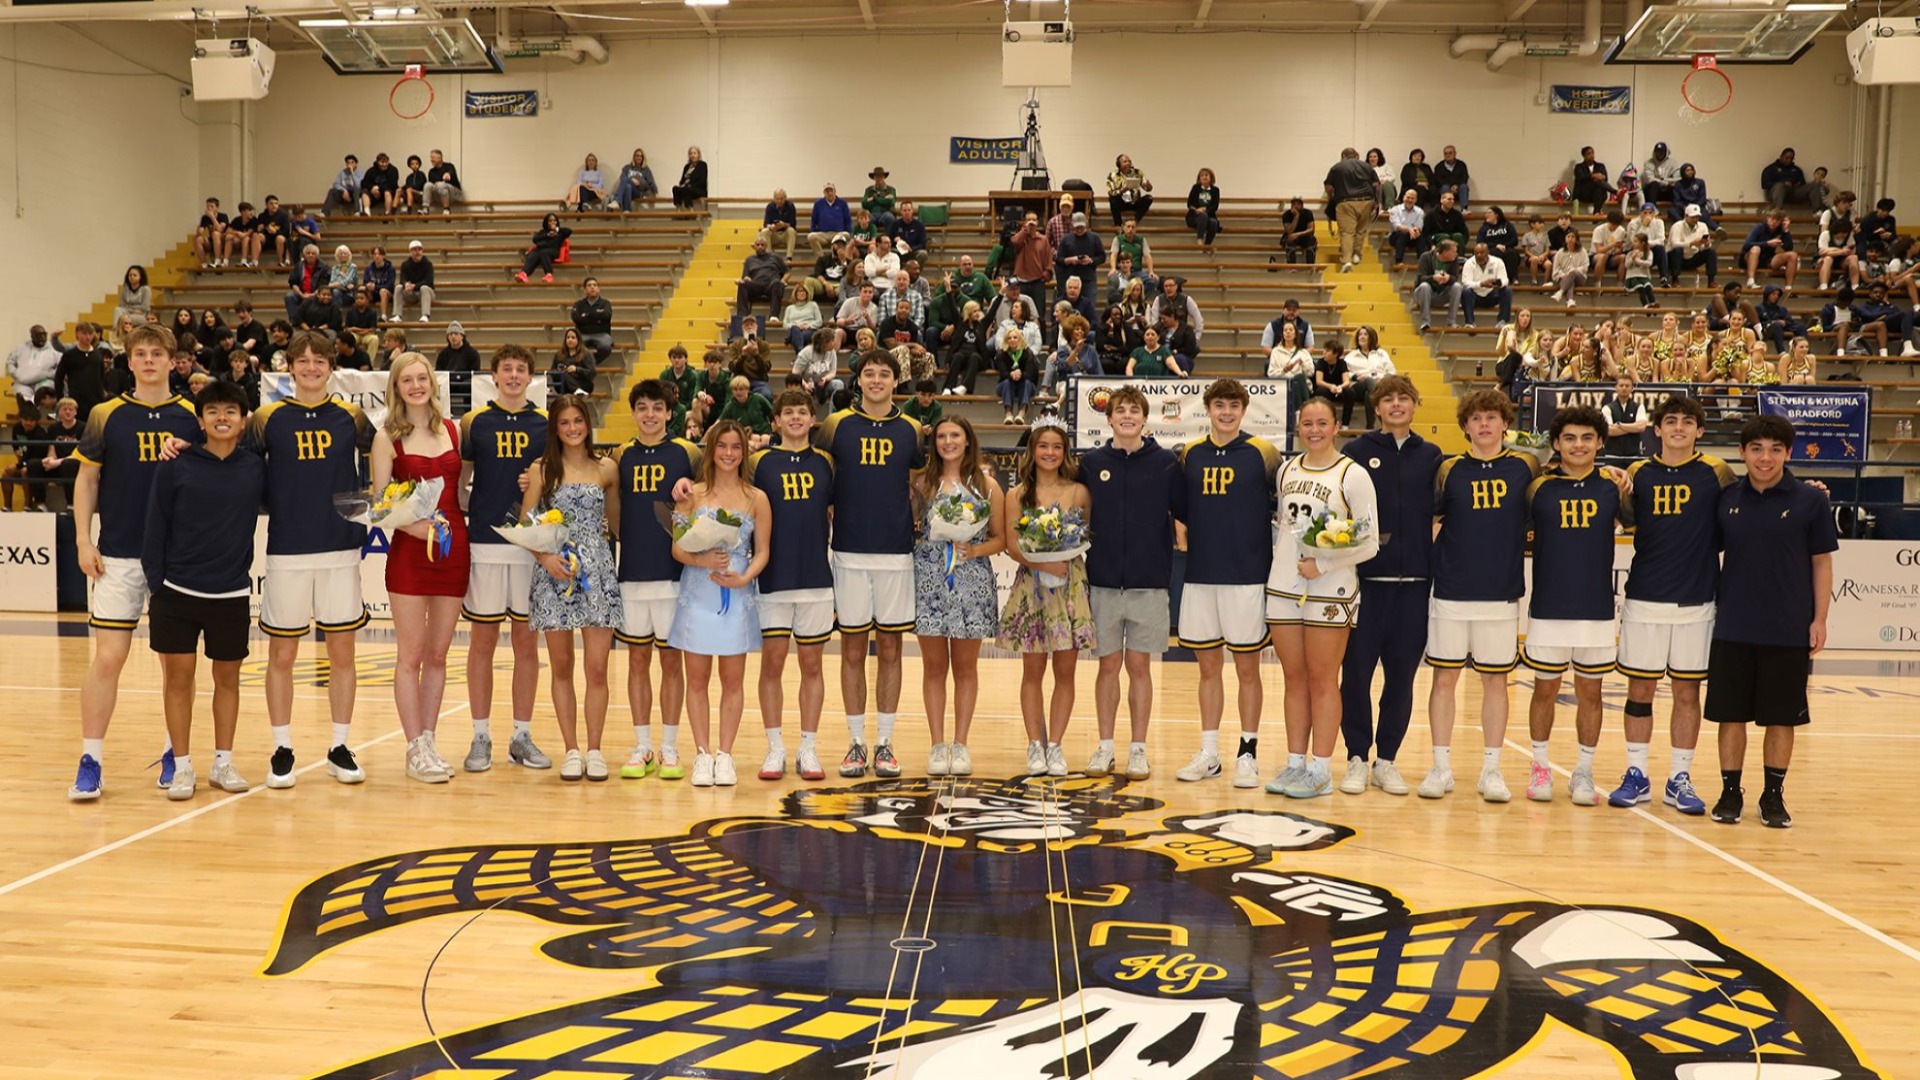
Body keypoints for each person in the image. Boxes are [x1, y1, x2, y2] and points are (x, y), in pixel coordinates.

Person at [66, 326, 204, 801]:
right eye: (140, 354)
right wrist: (84, 539)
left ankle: (175, 754)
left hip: (176, 559)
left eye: (157, 353)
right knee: (108, 658)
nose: (149, 360)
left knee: (176, 664)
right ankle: (91, 759)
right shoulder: (106, 415)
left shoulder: (191, 416)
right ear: (129, 362)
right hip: (119, 554)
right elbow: (86, 481)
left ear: (173, 361)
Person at [244, 330, 375, 788]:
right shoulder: (267, 417)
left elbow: (383, 457)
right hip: (287, 549)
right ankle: (282, 748)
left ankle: (340, 745)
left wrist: (373, 503)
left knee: (342, 652)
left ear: (331, 367)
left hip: (340, 547)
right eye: (304, 361)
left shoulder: (353, 417)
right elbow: (236, 466)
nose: (312, 367)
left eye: (321, 360)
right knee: (282, 653)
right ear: (290, 367)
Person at [1607, 394, 1735, 816]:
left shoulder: (1717, 472)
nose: (1679, 427)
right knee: (1640, 689)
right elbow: (1621, 517)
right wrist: (1610, 476)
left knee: (1686, 692)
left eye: (1687, 422)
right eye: (1671, 421)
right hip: (1645, 596)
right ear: (1656, 429)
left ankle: (1680, 777)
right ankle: (1636, 773)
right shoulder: (1637, 473)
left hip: (1697, 598)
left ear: (1699, 430)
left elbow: (1749, 507)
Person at [1707, 415, 1835, 828]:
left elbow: (1821, 563)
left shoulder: (1811, 500)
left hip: (1787, 628)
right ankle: (1730, 792)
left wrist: (1819, 618)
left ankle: (1773, 795)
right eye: (1757, 449)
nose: (1766, 458)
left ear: (1788, 453)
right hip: (1733, 626)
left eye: (1775, 449)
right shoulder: (1725, 498)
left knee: (1782, 717)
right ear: (1742, 453)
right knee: (1732, 715)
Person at [140, 380, 265, 800]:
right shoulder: (176, 464)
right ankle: (182, 766)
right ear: (200, 421)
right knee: (178, 679)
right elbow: (155, 525)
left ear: (243, 420)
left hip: (230, 594)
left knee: (227, 680)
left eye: (231, 411)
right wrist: (159, 585)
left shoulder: (256, 467)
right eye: (212, 411)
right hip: (176, 592)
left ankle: (223, 763)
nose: (222, 418)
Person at [1420, 390, 1542, 803]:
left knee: (1496, 681)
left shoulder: (1526, 466)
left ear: (1505, 423)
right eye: (1476, 419)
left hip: (1501, 591)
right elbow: (1432, 521)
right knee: (1444, 679)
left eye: (1492, 417)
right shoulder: (1448, 468)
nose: (1485, 424)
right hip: (1451, 589)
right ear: (1466, 426)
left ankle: (1492, 769)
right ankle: (1441, 767)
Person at [820, 349, 924, 779]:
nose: (877, 380)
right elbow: (821, 476)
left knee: (892, 649)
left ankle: (885, 742)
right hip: (848, 552)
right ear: (858, 380)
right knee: (850, 649)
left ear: (895, 382)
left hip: (896, 553)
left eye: (884, 374)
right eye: (869, 373)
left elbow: (919, 484)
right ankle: (856, 743)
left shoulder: (913, 429)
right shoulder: (836, 424)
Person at [1173, 378, 1282, 786]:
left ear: (1244, 409)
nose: (1226, 412)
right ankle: (1209, 752)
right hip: (1201, 575)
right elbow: (1180, 511)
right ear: (1208, 408)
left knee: (1249, 669)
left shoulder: (1264, 453)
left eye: (1234, 405)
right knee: (1208, 669)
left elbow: (1282, 508)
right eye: (1219, 404)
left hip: (1248, 576)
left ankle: (1248, 752)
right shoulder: (1190, 455)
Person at [1336, 376, 1440, 796]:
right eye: (1388, 399)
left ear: (1415, 405)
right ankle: (1357, 757)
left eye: (1404, 398)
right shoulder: (1356, 453)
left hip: (1415, 584)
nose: (1396, 405)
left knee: (1401, 678)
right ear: (1377, 408)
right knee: (1356, 675)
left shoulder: (1432, 455)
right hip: (1366, 584)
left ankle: (1387, 759)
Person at [1521, 405, 1630, 805]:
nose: (1578, 445)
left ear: (1600, 442)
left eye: (1587, 437)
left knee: (1590, 692)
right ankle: (1540, 766)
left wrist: (1625, 475)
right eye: (1570, 438)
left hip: (1596, 607)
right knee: (1544, 690)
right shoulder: (1538, 488)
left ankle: (1583, 771)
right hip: (1548, 606)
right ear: (1556, 444)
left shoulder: (1614, 487)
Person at [371, 352, 471, 784]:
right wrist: (415, 530)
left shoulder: (453, 429)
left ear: (433, 383)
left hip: (454, 550)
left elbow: (460, 487)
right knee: (410, 655)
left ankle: (429, 740)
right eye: (407, 380)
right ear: (396, 388)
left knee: (438, 655)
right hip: (411, 554)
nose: (416, 386)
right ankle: (414, 748)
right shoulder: (385, 438)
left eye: (422, 378)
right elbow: (379, 507)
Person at [459, 345, 553, 772]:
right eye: (507, 369)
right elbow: (460, 485)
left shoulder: (546, 424)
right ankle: (480, 736)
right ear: (493, 376)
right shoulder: (473, 422)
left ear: (531, 377)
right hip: (485, 543)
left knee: (525, 645)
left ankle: (521, 734)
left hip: (529, 548)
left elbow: (558, 483)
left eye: (521, 369)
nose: (514, 375)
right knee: (481, 642)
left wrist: (539, 483)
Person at [518, 395, 621, 781]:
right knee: (562, 666)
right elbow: (526, 526)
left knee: (597, 669)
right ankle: (571, 750)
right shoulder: (542, 470)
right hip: (554, 573)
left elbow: (616, 522)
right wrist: (544, 558)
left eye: (578, 421)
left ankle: (595, 749)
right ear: (555, 428)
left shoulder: (608, 468)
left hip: (596, 574)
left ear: (588, 424)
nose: (573, 428)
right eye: (565, 423)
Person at [1079, 385, 1180, 779]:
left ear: (1144, 418)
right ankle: (1105, 748)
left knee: (1140, 666)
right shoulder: (1091, 462)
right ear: (1108, 418)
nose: (1126, 416)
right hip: (1102, 582)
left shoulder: (1168, 463)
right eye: (1120, 410)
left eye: (1134, 411)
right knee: (1108, 667)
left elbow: (1184, 514)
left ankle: (1138, 749)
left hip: (1149, 583)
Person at [668, 420, 771, 787]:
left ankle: (725, 755)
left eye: (736, 447)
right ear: (711, 449)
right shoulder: (691, 493)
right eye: (722, 446)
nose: (729, 453)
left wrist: (745, 578)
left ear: (744, 452)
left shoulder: (756, 497)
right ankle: (701, 753)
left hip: (737, 593)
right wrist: (702, 561)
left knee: (732, 680)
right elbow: (677, 547)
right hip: (698, 591)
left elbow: (762, 552)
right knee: (696, 679)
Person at [746, 392, 837, 780]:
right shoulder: (758, 463)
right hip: (772, 578)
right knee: (772, 664)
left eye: (803, 411)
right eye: (788, 412)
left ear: (813, 419)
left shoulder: (827, 462)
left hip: (816, 577)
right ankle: (774, 749)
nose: (796, 417)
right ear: (776, 422)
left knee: (812, 664)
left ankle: (809, 748)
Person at [614, 380, 702, 780]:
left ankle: (669, 746)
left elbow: (711, 492)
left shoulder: (688, 453)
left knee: (671, 662)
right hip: (631, 573)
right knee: (636, 660)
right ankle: (642, 745)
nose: (650, 414)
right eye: (643, 407)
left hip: (673, 577)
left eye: (657, 408)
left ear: (670, 413)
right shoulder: (620, 456)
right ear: (633, 413)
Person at [998, 418, 1095, 776]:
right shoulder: (1017, 494)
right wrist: (1042, 561)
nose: (1050, 453)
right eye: (1043, 446)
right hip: (1033, 586)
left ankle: (1055, 744)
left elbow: (1085, 535)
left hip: (1070, 585)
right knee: (1032, 671)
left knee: (1066, 671)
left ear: (1065, 451)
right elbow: (1011, 544)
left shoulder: (1080, 492)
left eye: (1057, 446)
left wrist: (1063, 558)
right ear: (1032, 450)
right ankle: (1034, 746)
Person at [910, 416, 1004, 776]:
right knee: (934, 667)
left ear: (968, 441)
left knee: (965, 668)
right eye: (942, 436)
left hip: (971, 580)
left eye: (956, 436)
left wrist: (975, 551)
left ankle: (961, 744)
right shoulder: (921, 482)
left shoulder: (987, 485)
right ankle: (937, 745)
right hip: (929, 578)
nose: (948, 442)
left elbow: (1001, 539)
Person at [1325, 148, 1378, 272]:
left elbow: (1328, 187)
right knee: (1361, 230)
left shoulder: (1336, 167)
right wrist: (1376, 203)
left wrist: (1331, 199)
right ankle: (1356, 254)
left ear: (1343, 156)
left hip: (1345, 202)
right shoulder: (1367, 166)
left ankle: (1347, 260)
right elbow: (1376, 185)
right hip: (1366, 201)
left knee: (1347, 232)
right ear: (1357, 156)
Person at [53, 322, 115, 423]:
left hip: (96, 401)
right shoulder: (69, 355)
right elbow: (59, 377)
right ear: (77, 334)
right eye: (84, 333)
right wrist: (60, 398)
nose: (87, 337)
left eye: (90, 334)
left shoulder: (97, 355)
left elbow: (102, 378)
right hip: (77, 401)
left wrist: (104, 396)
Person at [1742, 210, 1801, 290]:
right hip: (1750, 257)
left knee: (1793, 255)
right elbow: (1747, 245)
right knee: (1756, 249)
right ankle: (1751, 281)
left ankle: (1788, 288)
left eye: (1777, 220)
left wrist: (1786, 230)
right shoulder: (1759, 227)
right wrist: (1767, 243)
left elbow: (1789, 248)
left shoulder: (1780, 230)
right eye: (1772, 219)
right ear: (1767, 218)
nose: (1774, 222)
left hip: (1768, 259)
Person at [1412, 239, 1462, 332]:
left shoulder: (1454, 260)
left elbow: (1455, 278)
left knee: (1457, 286)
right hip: (1424, 294)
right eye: (1454, 252)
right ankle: (1425, 322)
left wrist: (1448, 278)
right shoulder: (1426, 257)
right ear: (1445, 252)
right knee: (1424, 286)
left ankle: (1451, 321)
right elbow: (1420, 278)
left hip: (1441, 293)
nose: (1456, 254)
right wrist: (1433, 278)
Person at [8, 325, 61, 412]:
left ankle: (46, 414)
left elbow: (61, 367)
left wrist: (48, 374)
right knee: (22, 396)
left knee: (46, 394)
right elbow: (10, 362)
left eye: (44, 334)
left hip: (43, 381)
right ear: (32, 336)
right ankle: (28, 410)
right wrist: (15, 373)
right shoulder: (21, 348)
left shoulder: (54, 350)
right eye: (39, 335)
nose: (42, 337)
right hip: (22, 382)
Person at [1667, 203, 1719, 287]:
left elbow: (1702, 248)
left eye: (1697, 217)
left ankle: (1711, 281)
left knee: (1711, 251)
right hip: (1675, 258)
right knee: (1678, 250)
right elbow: (1674, 244)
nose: (1695, 219)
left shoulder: (1703, 226)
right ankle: (1675, 279)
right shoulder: (1677, 226)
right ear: (1686, 216)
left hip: (1692, 257)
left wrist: (1706, 244)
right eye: (1692, 217)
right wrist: (1691, 244)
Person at [995, 327, 1039, 426]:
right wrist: (1011, 374)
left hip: (1025, 384)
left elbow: (1030, 374)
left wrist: (1020, 374)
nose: (1012, 340)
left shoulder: (1028, 353)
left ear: (1020, 339)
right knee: (1006, 382)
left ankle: (1021, 413)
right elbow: (1002, 374)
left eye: (1015, 337)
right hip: (1006, 384)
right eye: (1009, 338)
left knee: (1027, 382)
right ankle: (1008, 413)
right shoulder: (1001, 354)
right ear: (1006, 341)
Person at [1462, 242, 1512, 327]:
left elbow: (1505, 280)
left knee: (1507, 290)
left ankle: (1503, 321)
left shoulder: (1498, 262)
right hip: (1475, 297)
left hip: (1492, 294)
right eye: (1476, 253)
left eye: (1481, 253)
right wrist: (1481, 284)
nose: (1479, 255)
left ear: (1488, 252)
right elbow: (1465, 282)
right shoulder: (1469, 263)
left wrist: (1498, 284)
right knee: (1466, 292)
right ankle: (1470, 322)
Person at [517, 213, 572, 284]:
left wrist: (556, 229)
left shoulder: (561, 232)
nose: (552, 222)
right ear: (546, 222)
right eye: (550, 221)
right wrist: (547, 235)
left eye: (554, 220)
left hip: (553, 251)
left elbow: (569, 231)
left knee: (543, 252)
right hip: (541, 251)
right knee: (533, 253)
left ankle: (549, 274)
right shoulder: (543, 232)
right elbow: (535, 239)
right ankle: (524, 273)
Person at [1106, 154, 1154, 225]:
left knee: (1149, 198)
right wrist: (1121, 191)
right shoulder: (1113, 175)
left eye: (1129, 161)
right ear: (1119, 164)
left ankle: (1135, 220)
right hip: (1121, 202)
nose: (1128, 163)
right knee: (1112, 199)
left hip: (1135, 201)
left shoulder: (1138, 172)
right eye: (1125, 161)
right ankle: (1118, 225)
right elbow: (1111, 193)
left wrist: (1148, 185)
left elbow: (1148, 189)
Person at [285, 244, 326, 324]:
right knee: (289, 296)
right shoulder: (299, 266)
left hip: (317, 294)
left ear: (317, 255)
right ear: (304, 255)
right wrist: (301, 294)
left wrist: (313, 294)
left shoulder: (324, 267)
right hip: (301, 293)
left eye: (313, 253)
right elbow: (293, 282)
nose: (310, 255)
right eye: (308, 253)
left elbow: (324, 284)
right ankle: (295, 322)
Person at [397, 240, 436, 322]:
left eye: (419, 249)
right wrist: (406, 284)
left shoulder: (428, 264)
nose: (417, 252)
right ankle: (397, 315)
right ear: (410, 252)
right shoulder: (405, 265)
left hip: (426, 294)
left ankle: (425, 315)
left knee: (424, 288)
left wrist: (414, 286)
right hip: (412, 293)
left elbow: (429, 281)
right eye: (414, 250)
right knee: (399, 287)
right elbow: (402, 279)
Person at [808, 183, 852, 255]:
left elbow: (847, 220)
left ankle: (836, 258)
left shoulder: (842, 203)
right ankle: (821, 258)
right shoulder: (818, 204)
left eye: (831, 191)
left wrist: (848, 230)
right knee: (811, 236)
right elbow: (814, 220)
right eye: (827, 191)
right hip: (823, 234)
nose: (829, 193)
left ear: (835, 191)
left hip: (838, 233)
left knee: (846, 234)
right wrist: (814, 230)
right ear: (824, 193)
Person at [550, 328, 595, 397]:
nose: (570, 340)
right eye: (568, 338)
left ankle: (577, 390)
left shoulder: (586, 354)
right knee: (563, 375)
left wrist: (576, 369)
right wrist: (560, 371)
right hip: (564, 384)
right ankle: (576, 390)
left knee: (566, 376)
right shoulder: (559, 354)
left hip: (582, 383)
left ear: (578, 340)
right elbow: (552, 371)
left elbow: (591, 372)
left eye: (573, 338)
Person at [1550, 230, 1589, 308]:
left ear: (1576, 239)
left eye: (1573, 237)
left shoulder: (1582, 251)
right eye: (1568, 237)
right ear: (1565, 239)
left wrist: (1572, 271)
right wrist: (1563, 274)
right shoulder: (1560, 252)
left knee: (1572, 273)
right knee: (1570, 281)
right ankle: (1570, 300)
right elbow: (1556, 269)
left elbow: (1585, 267)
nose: (1570, 239)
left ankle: (1560, 292)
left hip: (1579, 277)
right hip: (1564, 278)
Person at [1186, 168, 1222, 249]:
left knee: (1214, 223)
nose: (1204, 177)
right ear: (1199, 178)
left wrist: (1205, 209)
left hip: (1209, 215)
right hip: (1195, 216)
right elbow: (1189, 204)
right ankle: (1199, 239)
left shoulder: (1215, 190)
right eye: (1202, 176)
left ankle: (1207, 245)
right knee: (1203, 215)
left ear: (1211, 177)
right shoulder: (1195, 188)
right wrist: (1197, 210)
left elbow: (1215, 206)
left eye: (1206, 175)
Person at [758, 188, 798, 260]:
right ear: (774, 198)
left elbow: (793, 224)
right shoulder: (770, 206)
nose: (779, 201)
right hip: (774, 234)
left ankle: (789, 257)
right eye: (777, 199)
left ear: (785, 198)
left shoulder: (790, 206)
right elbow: (766, 223)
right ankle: (768, 257)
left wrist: (784, 225)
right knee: (764, 231)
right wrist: (771, 226)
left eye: (781, 199)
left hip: (785, 234)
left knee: (791, 231)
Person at [1572, 146, 1613, 214]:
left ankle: (1596, 212)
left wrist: (1599, 177)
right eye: (1589, 154)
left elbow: (1605, 179)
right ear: (1584, 156)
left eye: (1592, 153)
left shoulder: (1600, 166)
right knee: (1597, 184)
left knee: (1599, 187)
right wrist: (1593, 176)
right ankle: (1614, 192)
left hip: (1598, 194)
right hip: (1584, 194)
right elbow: (1581, 178)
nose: (1592, 155)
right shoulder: (1579, 167)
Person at [1278, 196, 1318, 265]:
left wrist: (1297, 234)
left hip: (1304, 236)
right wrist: (1296, 216)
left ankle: (1310, 265)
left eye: (1298, 204)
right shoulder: (1286, 215)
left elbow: (1311, 229)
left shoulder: (1308, 213)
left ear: (1302, 205)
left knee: (1312, 239)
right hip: (1291, 237)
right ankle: (1292, 266)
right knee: (1289, 239)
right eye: (1294, 204)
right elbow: (1289, 231)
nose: (1296, 206)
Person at [1641, 141, 1681, 209]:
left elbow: (1678, 179)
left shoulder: (1673, 163)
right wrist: (1667, 183)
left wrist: (1662, 179)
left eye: (1662, 151)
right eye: (1658, 151)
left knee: (1677, 187)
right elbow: (1649, 180)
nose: (1660, 153)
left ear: (1666, 152)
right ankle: (1652, 210)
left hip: (1667, 192)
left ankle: (1677, 210)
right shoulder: (1648, 163)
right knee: (1654, 184)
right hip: (1652, 193)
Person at [194, 196, 229, 268]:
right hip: (212, 241)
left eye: (212, 206)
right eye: (207, 206)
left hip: (223, 241)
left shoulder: (223, 216)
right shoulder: (205, 217)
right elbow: (200, 231)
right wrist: (199, 230)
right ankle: (203, 263)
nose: (209, 208)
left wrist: (212, 217)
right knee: (198, 239)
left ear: (217, 207)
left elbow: (220, 229)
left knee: (215, 233)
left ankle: (218, 260)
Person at [860, 166, 898, 233]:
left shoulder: (891, 190)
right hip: (872, 214)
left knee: (890, 218)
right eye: (876, 176)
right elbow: (864, 203)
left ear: (884, 177)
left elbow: (891, 202)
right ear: (874, 178)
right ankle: (870, 240)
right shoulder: (869, 190)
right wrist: (884, 199)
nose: (878, 178)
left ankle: (888, 240)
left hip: (886, 213)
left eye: (880, 176)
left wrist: (875, 199)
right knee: (866, 219)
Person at [425, 149, 463, 213]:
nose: (431, 159)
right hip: (440, 194)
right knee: (428, 185)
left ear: (440, 158)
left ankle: (446, 209)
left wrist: (448, 174)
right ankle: (425, 209)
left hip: (453, 194)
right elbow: (433, 186)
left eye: (433, 157)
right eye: (431, 157)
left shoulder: (449, 166)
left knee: (440, 184)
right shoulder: (431, 171)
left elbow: (451, 172)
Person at [1433, 144, 1470, 211]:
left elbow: (1465, 177)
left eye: (1450, 153)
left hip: (1458, 189)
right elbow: (1438, 180)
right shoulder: (1439, 166)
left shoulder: (1461, 165)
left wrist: (1457, 186)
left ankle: (1464, 209)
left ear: (1455, 153)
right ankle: (1447, 209)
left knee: (1464, 186)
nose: (1448, 155)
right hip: (1445, 189)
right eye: (1445, 153)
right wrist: (1450, 187)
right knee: (1445, 187)